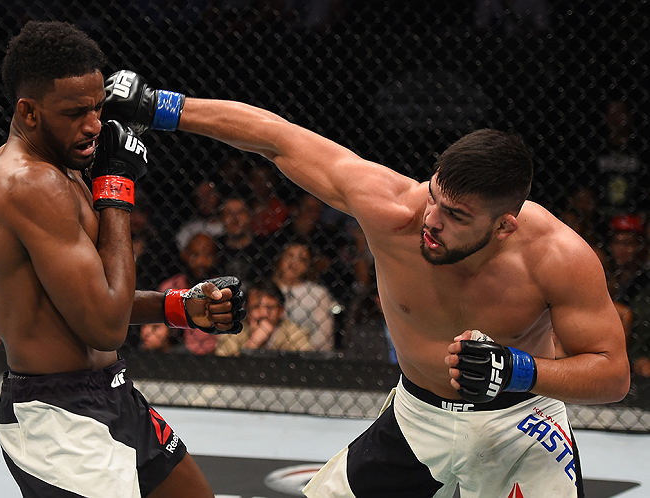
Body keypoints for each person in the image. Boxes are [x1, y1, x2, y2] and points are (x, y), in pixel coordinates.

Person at [103, 70, 630, 498]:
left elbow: (613, 375)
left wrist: (518, 370)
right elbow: (277, 139)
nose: (432, 221)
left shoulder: (557, 257)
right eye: (434, 196)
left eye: (455, 216)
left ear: (504, 225)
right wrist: (158, 106)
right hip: (416, 416)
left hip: (519, 424)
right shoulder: (395, 211)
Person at [0, 22, 245, 498]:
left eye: (99, 107)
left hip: (111, 390)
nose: (95, 125)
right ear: (28, 112)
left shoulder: (63, 167)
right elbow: (103, 326)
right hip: (61, 421)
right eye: (75, 112)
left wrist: (180, 306)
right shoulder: (28, 183)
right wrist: (117, 188)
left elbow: (93, 297)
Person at [159, 232, 222, 355]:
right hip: (173, 354)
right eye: (195, 255)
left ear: (216, 259)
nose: (201, 261)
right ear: (184, 255)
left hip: (214, 355)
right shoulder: (170, 287)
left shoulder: (223, 290)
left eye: (208, 255)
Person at [215, 280, 313, 357]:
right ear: (247, 312)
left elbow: (304, 366)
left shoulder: (295, 334)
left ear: (281, 311)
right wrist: (253, 344)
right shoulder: (233, 334)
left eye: (270, 308)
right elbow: (222, 367)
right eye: (256, 307)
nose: (263, 313)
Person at [271, 240, 336, 352]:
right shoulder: (264, 289)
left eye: (302, 260)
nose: (294, 263)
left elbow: (323, 336)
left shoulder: (317, 294)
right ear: (280, 258)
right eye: (290, 256)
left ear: (307, 267)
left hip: (304, 353)